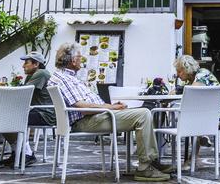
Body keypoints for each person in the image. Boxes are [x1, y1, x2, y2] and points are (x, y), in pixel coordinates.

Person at [49, 43, 171, 182]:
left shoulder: (66, 77)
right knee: (143, 114)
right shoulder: (64, 78)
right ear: (72, 60)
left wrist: (110, 106)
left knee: (140, 112)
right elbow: (82, 107)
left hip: (96, 116)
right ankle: (145, 167)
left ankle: (149, 162)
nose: (81, 59)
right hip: (87, 120)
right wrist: (110, 108)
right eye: (79, 56)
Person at [0, 52, 55, 167]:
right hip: (36, 111)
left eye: (26, 63)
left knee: (8, 118)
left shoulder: (42, 73)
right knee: (1, 118)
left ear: (36, 64)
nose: (23, 65)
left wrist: (1, 88)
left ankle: (28, 154)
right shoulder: (32, 75)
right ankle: (17, 152)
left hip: (45, 114)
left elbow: (24, 92)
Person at [173, 55, 220, 126]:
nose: (177, 75)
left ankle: (202, 136)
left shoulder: (203, 73)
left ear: (187, 69)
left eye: (179, 71)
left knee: (191, 117)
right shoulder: (189, 81)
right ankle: (201, 137)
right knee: (189, 116)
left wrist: (177, 91)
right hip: (210, 111)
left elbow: (192, 91)